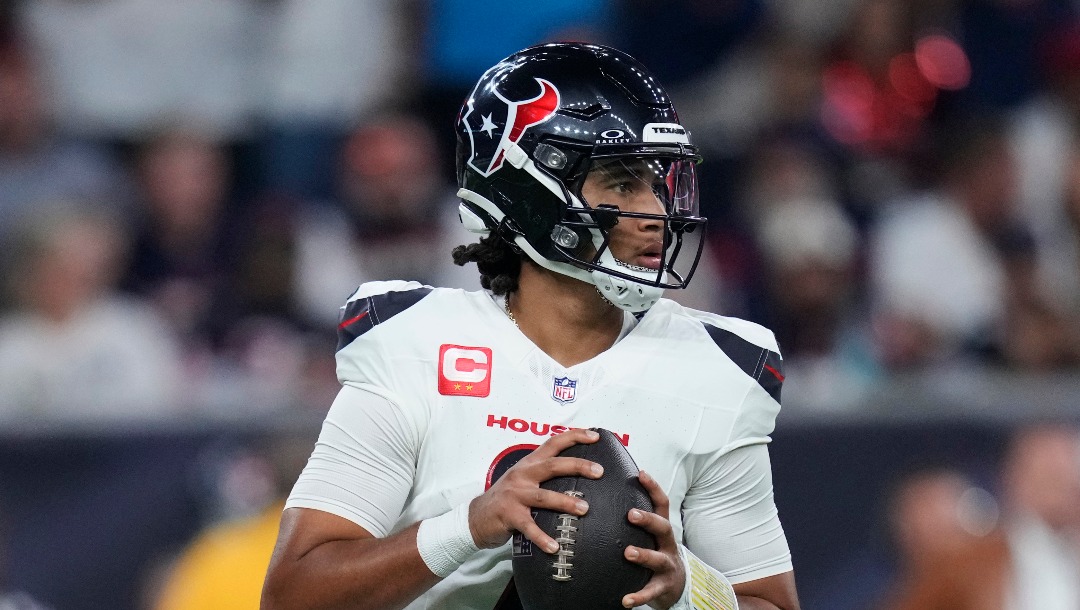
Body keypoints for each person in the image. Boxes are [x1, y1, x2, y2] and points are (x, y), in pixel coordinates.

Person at [262, 43, 800, 610]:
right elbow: (294, 595)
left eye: (656, 182)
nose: (658, 214)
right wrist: (470, 527)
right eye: (622, 183)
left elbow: (769, 601)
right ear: (528, 192)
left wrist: (691, 590)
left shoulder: (711, 371)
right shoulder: (413, 345)